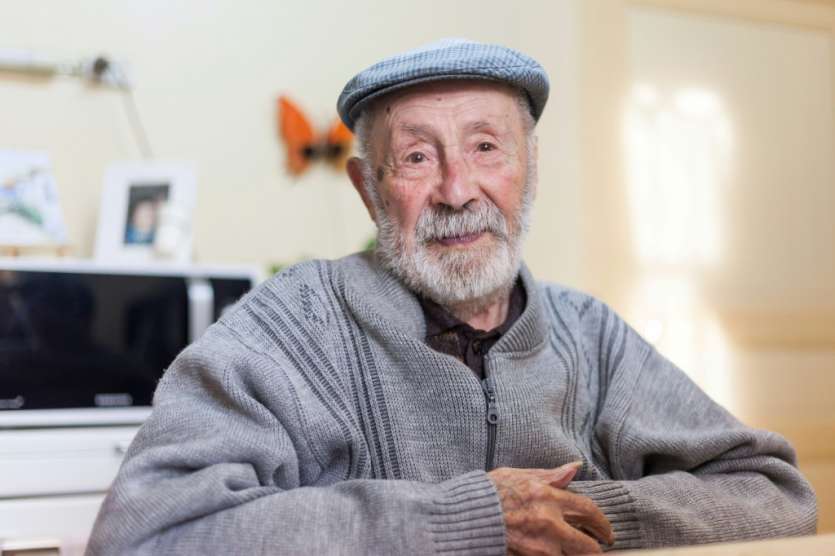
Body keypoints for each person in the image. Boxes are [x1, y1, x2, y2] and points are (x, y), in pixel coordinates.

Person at [86, 39, 816, 555]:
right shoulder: (287, 329)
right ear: (369, 190)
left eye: (485, 147)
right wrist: (473, 520)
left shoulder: (587, 332)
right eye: (415, 157)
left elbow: (774, 496)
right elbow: (144, 535)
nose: (457, 190)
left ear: (529, 169)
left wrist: (571, 517)